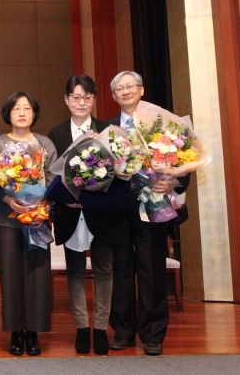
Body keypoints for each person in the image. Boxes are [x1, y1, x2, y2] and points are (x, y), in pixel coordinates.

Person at [106, 71, 190, 356]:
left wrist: (173, 181)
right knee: (121, 269)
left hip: (152, 205)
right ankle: (123, 331)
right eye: (120, 88)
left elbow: (185, 160)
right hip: (118, 208)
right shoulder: (107, 130)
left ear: (141, 90)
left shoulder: (162, 125)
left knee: (152, 268)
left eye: (130, 86)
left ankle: (153, 334)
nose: (125, 91)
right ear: (114, 95)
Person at [48, 75, 120, 355]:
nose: (81, 103)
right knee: (75, 272)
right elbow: (53, 176)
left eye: (87, 97)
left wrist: (91, 198)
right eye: (76, 97)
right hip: (69, 214)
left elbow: (118, 175)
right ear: (66, 99)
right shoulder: (56, 133)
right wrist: (67, 200)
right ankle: (81, 327)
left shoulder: (107, 131)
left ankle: (100, 328)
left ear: (94, 99)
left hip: (100, 213)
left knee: (104, 271)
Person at [0, 91, 57, 356]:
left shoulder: (45, 144)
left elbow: (55, 179)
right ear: (8, 113)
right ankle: (16, 332)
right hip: (6, 219)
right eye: (16, 108)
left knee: (37, 275)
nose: (21, 112)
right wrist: (9, 199)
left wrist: (42, 203)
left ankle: (33, 332)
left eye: (27, 108)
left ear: (34, 113)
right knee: (10, 275)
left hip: (38, 218)